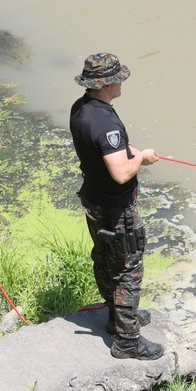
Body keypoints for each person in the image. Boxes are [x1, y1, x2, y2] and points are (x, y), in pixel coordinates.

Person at [69, 52, 164, 361]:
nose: (122, 81)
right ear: (107, 83)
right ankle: (128, 341)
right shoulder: (107, 121)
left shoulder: (81, 108)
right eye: (118, 78)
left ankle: (117, 318)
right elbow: (121, 172)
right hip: (116, 209)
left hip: (94, 201)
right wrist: (142, 158)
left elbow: (102, 150)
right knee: (127, 270)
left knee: (105, 259)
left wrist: (127, 150)